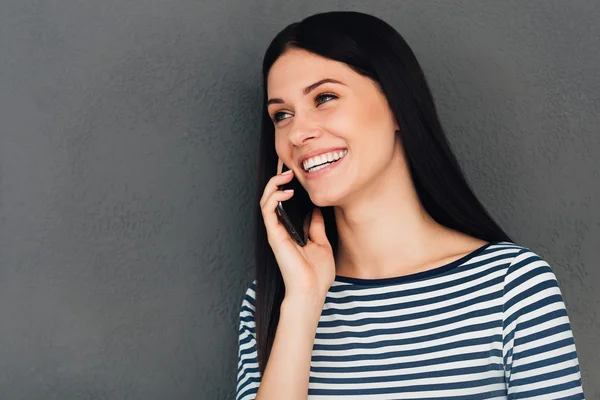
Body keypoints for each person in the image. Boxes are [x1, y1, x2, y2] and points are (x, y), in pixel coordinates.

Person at [236, 11, 585, 400]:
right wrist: (302, 300)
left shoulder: (513, 287)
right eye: (281, 115)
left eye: (325, 97)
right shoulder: (271, 303)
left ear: (397, 105)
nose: (298, 133)